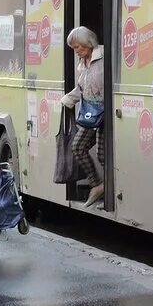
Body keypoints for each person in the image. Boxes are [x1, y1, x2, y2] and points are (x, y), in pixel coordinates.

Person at [61, 26, 105, 206]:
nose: (77, 51)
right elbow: (82, 89)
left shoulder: (103, 58)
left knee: (103, 155)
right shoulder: (84, 62)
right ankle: (97, 185)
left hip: (105, 114)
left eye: (78, 47)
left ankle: (110, 188)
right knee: (78, 146)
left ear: (88, 42)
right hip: (91, 114)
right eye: (74, 48)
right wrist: (68, 99)